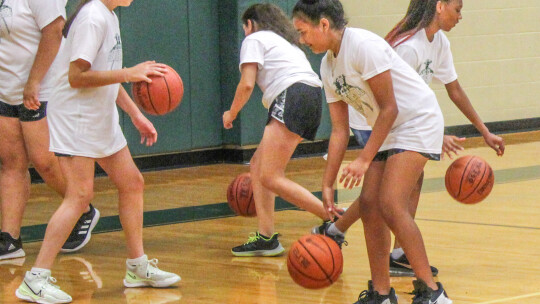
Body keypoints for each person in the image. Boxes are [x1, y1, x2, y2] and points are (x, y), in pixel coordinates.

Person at [317, 0, 506, 278]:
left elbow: (453, 89)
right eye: (458, 8)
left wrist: (484, 130)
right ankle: (342, 232)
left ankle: (383, 248)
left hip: (403, 119)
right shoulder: (407, 47)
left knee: (395, 189)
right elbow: (394, 102)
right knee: (384, 197)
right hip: (376, 120)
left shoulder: (439, 42)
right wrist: (430, 135)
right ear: (440, 6)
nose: (460, 16)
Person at [15, 0, 180, 302]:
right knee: (79, 196)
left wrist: (135, 114)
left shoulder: (108, 16)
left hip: (99, 116)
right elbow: (77, 77)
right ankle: (35, 279)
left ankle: (137, 267)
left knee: (132, 183)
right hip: (77, 116)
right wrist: (129, 73)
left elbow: (108, 75)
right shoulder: (93, 17)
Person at [293, 0, 453, 303]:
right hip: (389, 128)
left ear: (324, 24)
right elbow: (340, 130)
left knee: (391, 203)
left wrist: (364, 159)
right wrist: (327, 184)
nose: (302, 40)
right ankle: (381, 293)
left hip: (417, 120)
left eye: (303, 32)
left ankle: (434, 293)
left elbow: (390, 107)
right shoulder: (328, 65)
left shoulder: (363, 45)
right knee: (368, 204)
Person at [223, 3, 340, 257]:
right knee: (257, 166)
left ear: (251, 24)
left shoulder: (254, 39)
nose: (245, 33)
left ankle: (334, 220)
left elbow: (246, 85)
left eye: (245, 28)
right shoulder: (286, 42)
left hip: (293, 94)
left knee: (270, 176)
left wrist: (231, 113)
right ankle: (266, 237)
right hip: (310, 95)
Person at [0, 0, 101, 261]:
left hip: (41, 88)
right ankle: (9, 239)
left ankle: (83, 207)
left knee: (45, 162)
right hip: (6, 89)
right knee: (11, 163)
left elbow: (55, 31)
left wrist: (33, 80)